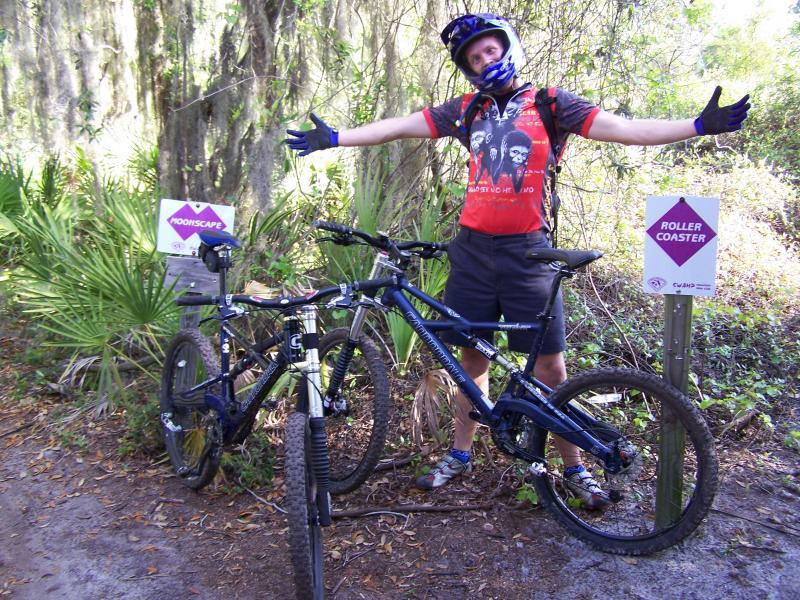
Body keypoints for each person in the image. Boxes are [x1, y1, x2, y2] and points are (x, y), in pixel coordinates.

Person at [285, 13, 749, 508]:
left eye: (490, 50)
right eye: (474, 57)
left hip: (529, 253)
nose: (485, 61)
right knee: (471, 358)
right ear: (467, 68)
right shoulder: (467, 110)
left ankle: (575, 466)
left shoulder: (551, 103)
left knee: (550, 368)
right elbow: (399, 128)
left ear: (507, 49)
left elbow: (624, 130)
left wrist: (698, 126)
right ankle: (460, 455)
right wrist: (337, 138)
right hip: (471, 253)